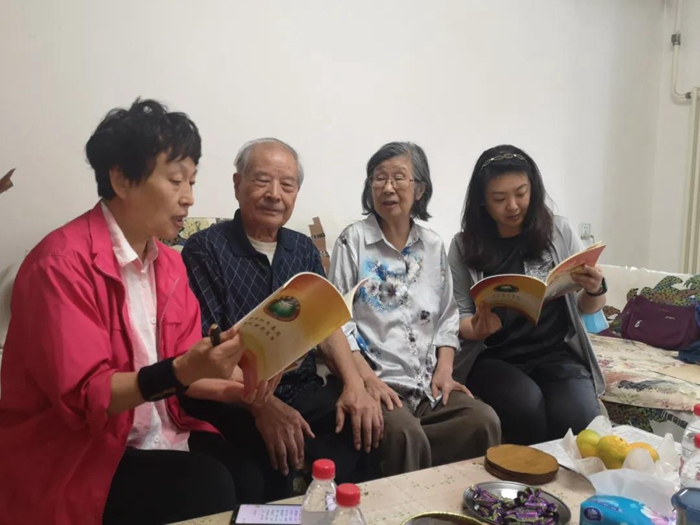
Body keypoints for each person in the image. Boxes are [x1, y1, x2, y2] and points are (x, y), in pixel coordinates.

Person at [0, 99, 276, 525]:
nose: (189, 198)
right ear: (122, 179)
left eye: (192, 181)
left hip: (155, 431)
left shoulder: (168, 264)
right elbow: (88, 395)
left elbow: (189, 365)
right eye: (176, 181)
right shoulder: (59, 264)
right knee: (207, 485)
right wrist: (181, 371)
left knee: (251, 472)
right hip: (76, 452)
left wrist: (246, 387)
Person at [181, 138, 382, 500]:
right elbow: (206, 351)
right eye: (262, 181)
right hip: (234, 397)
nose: (274, 194)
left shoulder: (302, 248)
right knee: (260, 467)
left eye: (287, 185)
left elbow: (327, 327)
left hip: (301, 389)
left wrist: (354, 384)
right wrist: (263, 406)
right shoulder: (206, 249)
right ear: (237, 184)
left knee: (362, 426)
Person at [329, 142, 501, 476]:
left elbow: (447, 318)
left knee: (482, 421)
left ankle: (466, 502)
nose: (387, 187)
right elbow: (337, 324)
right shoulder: (353, 242)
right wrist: (366, 381)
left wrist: (445, 371)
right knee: (405, 435)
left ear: (419, 189)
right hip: (377, 383)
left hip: (427, 388)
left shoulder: (433, 245)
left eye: (398, 177)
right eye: (379, 178)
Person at [449, 144, 606, 446]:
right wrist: (477, 328)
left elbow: (588, 308)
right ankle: (529, 474)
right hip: (495, 358)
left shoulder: (558, 231)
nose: (512, 206)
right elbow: (458, 318)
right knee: (527, 409)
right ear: (482, 200)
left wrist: (595, 288)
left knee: (579, 422)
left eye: (521, 193)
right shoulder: (463, 246)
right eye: (499, 198)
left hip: (557, 353)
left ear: (533, 188)